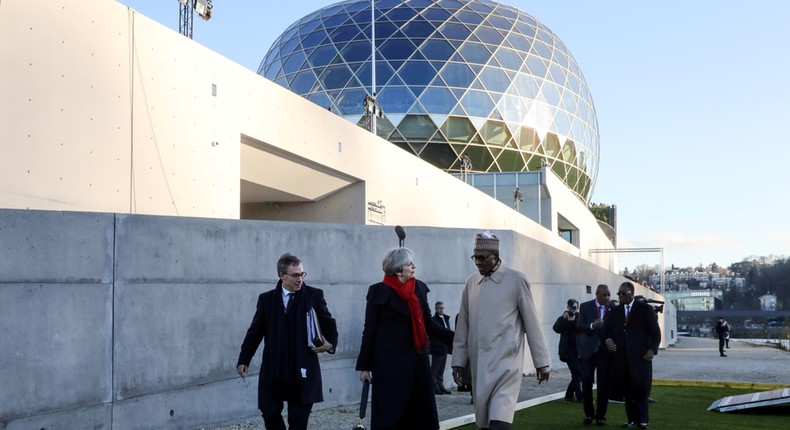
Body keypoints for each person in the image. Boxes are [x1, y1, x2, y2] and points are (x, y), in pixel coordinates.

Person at [452, 231, 551, 430]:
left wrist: (542, 362)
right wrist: (458, 362)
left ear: (495, 257)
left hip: (507, 364)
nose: (477, 262)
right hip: (480, 365)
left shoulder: (516, 280)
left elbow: (532, 322)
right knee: (485, 424)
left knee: (499, 421)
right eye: (475, 257)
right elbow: (463, 324)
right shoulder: (471, 283)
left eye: (482, 258)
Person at [236, 253, 338, 430]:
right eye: (295, 275)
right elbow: (255, 332)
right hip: (274, 369)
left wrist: (330, 344)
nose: (300, 279)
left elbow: (329, 325)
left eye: (302, 274)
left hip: (302, 368)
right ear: (282, 276)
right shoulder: (266, 300)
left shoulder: (314, 295)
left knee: (298, 422)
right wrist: (244, 359)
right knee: (269, 411)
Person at [356, 247, 453, 430]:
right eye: (409, 264)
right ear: (398, 270)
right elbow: (370, 330)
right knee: (390, 414)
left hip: (417, 359)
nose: (414, 267)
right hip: (388, 364)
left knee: (421, 413)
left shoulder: (419, 288)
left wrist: (457, 339)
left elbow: (429, 324)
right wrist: (364, 367)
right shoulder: (378, 291)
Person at [605, 282, 661, 430]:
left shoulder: (645, 309)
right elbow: (607, 331)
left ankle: (642, 420)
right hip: (621, 358)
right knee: (627, 389)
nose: (620, 296)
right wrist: (608, 340)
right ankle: (631, 419)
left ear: (631, 293)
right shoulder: (614, 312)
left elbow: (655, 332)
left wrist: (652, 350)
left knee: (641, 388)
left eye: (623, 293)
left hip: (641, 357)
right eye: (618, 293)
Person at [576, 284, 613, 426]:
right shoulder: (585, 307)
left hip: (604, 352)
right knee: (586, 382)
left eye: (608, 295)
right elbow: (579, 326)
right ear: (597, 294)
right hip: (588, 352)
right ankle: (589, 415)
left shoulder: (612, 308)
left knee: (603, 385)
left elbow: (614, 328)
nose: (607, 298)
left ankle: (601, 416)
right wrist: (592, 325)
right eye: (604, 295)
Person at [552, 298, 582, 403]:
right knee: (577, 372)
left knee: (578, 374)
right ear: (568, 307)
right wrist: (564, 319)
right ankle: (580, 397)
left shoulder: (580, 317)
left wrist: (575, 318)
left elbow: (580, 328)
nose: (572, 309)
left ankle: (569, 396)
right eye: (571, 307)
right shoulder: (563, 317)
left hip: (580, 350)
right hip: (568, 351)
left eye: (574, 307)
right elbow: (556, 328)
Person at [430, 301, 453, 395]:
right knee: (435, 369)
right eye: (440, 308)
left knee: (442, 368)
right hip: (437, 347)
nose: (442, 310)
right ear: (436, 309)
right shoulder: (433, 320)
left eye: (443, 308)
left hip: (444, 347)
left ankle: (440, 385)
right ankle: (434, 387)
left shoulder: (445, 319)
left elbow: (447, 331)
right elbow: (432, 334)